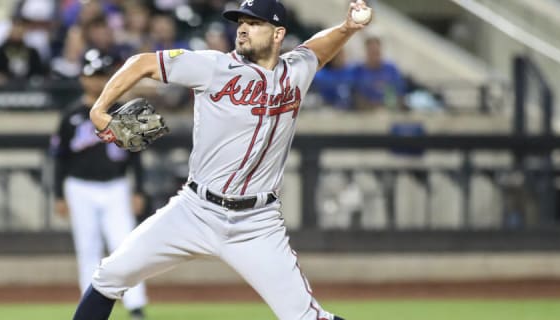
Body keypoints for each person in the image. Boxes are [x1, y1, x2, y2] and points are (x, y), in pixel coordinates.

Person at [75, 0, 370, 319]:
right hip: (194, 211)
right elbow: (141, 62)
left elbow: (319, 48)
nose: (243, 28)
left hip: (257, 223)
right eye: (240, 22)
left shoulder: (297, 70)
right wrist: (99, 108)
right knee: (108, 278)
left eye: (255, 23)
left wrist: (348, 28)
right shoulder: (213, 66)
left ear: (278, 34)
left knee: (306, 317)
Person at [50, 48, 149, 320]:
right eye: (92, 74)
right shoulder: (71, 114)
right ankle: (89, 308)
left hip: (116, 185)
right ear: (82, 76)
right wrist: (58, 194)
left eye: (102, 74)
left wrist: (138, 188)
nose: (96, 80)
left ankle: (136, 305)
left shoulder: (125, 111)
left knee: (127, 246)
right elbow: (59, 159)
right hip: (79, 186)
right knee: (88, 248)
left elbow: (137, 157)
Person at [351, 35, 405, 111]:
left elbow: (399, 93)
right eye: (372, 53)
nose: (375, 57)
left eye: (377, 53)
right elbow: (356, 95)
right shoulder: (358, 70)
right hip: (366, 112)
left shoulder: (391, 69)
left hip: (388, 110)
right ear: (366, 52)